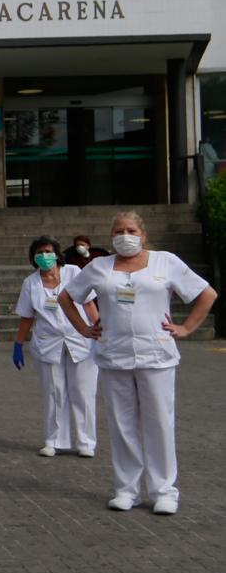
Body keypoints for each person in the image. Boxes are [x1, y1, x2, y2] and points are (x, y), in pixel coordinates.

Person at [59, 211, 217, 515]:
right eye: (118, 231)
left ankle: (164, 491)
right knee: (122, 425)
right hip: (114, 354)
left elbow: (207, 294)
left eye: (131, 230)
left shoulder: (165, 261)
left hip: (156, 355)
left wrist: (186, 328)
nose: (125, 236)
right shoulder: (99, 266)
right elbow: (68, 297)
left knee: (159, 422)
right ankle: (126, 489)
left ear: (142, 235)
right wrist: (82, 328)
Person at [13, 236, 99, 458]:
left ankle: (86, 442)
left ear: (57, 254)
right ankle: (54, 440)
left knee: (83, 391)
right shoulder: (30, 283)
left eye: (48, 251)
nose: (44, 256)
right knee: (54, 391)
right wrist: (18, 344)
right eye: (39, 253)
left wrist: (100, 330)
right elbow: (26, 317)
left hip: (81, 339)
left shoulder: (73, 273)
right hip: (47, 342)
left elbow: (89, 304)